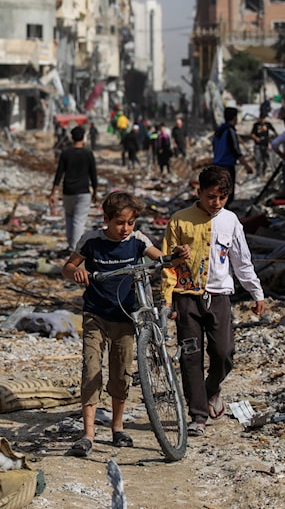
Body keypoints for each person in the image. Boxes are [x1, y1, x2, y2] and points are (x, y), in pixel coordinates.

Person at [62, 192, 189, 456]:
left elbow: (162, 259)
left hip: (125, 316)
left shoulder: (137, 241)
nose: (125, 229)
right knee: (91, 368)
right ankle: (88, 434)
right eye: (120, 223)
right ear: (106, 219)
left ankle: (117, 428)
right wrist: (77, 271)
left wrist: (177, 256)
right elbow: (68, 266)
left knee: (121, 373)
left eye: (130, 223)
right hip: (95, 314)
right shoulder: (92, 241)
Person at [161, 166, 266, 437]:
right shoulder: (180, 220)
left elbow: (242, 261)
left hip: (219, 298)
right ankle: (198, 414)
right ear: (199, 193)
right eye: (210, 197)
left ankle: (211, 389)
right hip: (187, 299)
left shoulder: (230, 221)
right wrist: (168, 300)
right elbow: (166, 264)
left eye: (222, 197)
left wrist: (256, 292)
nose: (216, 203)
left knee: (224, 352)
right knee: (191, 357)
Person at [49, 125, 98, 253]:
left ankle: (71, 245)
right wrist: (95, 191)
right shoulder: (88, 153)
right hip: (83, 191)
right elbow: (93, 174)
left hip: (68, 191)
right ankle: (74, 249)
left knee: (69, 218)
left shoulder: (66, 153)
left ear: (72, 137)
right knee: (79, 221)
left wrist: (53, 193)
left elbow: (59, 174)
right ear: (83, 137)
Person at [212, 106, 252, 202]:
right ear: (234, 118)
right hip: (227, 166)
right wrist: (246, 166)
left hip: (217, 165)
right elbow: (236, 150)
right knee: (227, 195)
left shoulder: (218, 131)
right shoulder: (230, 131)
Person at [249, 113, 278, 178]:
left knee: (265, 160)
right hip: (257, 145)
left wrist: (277, 138)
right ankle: (258, 173)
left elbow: (275, 131)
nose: (263, 120)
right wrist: (256, 138)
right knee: (258, 160)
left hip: (265, 145)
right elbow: (252, 134)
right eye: (261, 119)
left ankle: (263, 172)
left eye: (264, 118)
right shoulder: (256, 125)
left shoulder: (268, 124)